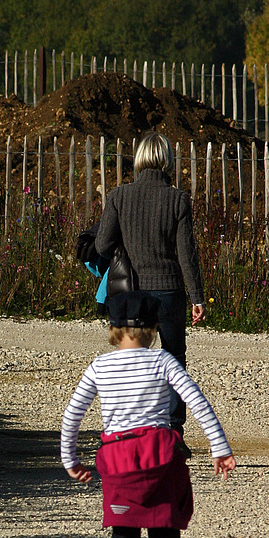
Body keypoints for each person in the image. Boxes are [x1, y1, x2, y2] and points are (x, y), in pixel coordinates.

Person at [61, 291, 235, 538]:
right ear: (154, 328)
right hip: (160, 466)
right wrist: (219, 448)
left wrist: (70, 460)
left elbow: (72, 415)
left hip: (119, 469)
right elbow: (197, 401)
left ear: (112, 329)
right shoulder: (162, 360)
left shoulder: (99, 366)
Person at [95, 132, 206, 437]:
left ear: (139, 159)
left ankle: (134, 426)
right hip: (170, 292)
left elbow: (103, 246)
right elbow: (188, 255)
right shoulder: (178, 199)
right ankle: (173, 432)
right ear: (168, 160)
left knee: (131, 360)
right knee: (174, 360)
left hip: (131, 294)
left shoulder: (119, 196)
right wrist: (198, 296)